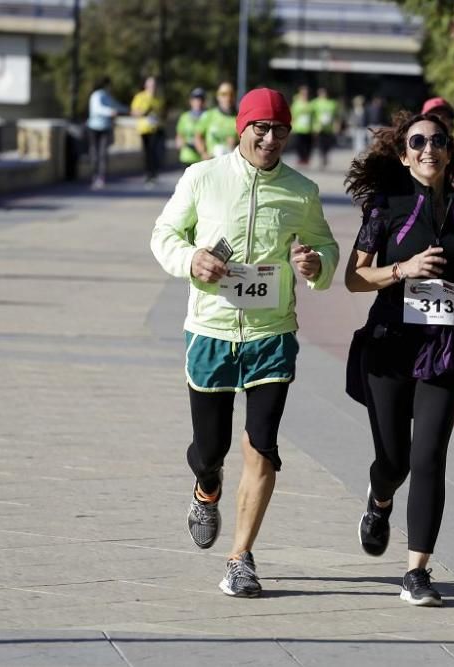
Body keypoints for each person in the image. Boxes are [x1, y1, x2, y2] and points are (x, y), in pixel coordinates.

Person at [150, 88, 340, 598]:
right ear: (242, 128)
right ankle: (205, 488)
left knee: (262, 445)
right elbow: (164, 233)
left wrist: (317, 265)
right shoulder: (203, 178)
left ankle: (240, 557)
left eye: (280, 130)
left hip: (271, 334)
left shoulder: (301, 191)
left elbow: (324, 244)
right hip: (211, 331)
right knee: (209, 449)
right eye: (261, 127)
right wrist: (190, 259)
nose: (270, 138)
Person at [343, 111, 454, 606]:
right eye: (419, 142)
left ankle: (416, 573)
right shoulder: (387, 207)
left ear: (450, 152)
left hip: (444, 346)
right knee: (395, 459)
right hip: (389, 344)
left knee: (429, 457)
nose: (429, 148)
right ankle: (379, 498)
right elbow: (354, 277)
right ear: (405, 154)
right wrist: (402, 268)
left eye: (439, 141)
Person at [85, 76, 128, 190]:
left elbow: (116, 105)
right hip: (94, 128)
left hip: (105, 128)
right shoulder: (96, 95)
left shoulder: (107, 96)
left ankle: (101, 177)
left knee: (103, 154)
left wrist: (128, 110)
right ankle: (94, 176)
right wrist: (110, 112)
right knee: (95, 153)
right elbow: (98, 109)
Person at [131, 76, 165, 186]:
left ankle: (154, 174)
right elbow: (134, 112)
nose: (152, 87)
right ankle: (149, 175)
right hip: (145, 130)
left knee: (157, 152)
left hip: (157, 129)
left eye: (154, 85)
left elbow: (163, 114)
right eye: (150, 85)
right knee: (148, 153)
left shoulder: (159, 99)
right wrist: (144, 112)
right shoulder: (140, 97)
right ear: (146, 86)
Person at [195, 82, 239, 159]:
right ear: (218, 96)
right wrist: (203, 153)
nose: (228, 98)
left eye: (231, 94)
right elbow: (198, 137)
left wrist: (236, 144)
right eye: (223, 94)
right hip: (211, 161)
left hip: (230, 163)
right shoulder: (209, 115)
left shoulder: (239, 118)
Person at [175, 87, 206, 167]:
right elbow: (179, 135)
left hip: (202, 158)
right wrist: (180, 142)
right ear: (191, 101)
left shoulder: (208, 116)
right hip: (187, 157)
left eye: (201, 99)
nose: (198, 102)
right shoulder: (184, 117)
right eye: (195, 99)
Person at [310, 87, 339, 168]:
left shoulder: (332, 103)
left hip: (329, 128)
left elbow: (336, 116)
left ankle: (325, 156)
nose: (323, 94)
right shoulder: (315, 103)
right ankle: (322, 157)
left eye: (324, 93)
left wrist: (336, 125)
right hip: (318, 128)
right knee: (320, 144)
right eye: (321, 93)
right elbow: (310, 113)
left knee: (328, 144)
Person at [290, 85, 313, 166]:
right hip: (299, 128)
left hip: (309, 128)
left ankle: (306, 158)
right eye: (303, 93)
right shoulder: (296, 103)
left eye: (306, 93)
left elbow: (314, 116)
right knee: (299, 144)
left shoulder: (311, 103)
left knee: (308, 144)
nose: (305, 94)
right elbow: (292, 115)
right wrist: (292, 124)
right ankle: (301, 158)